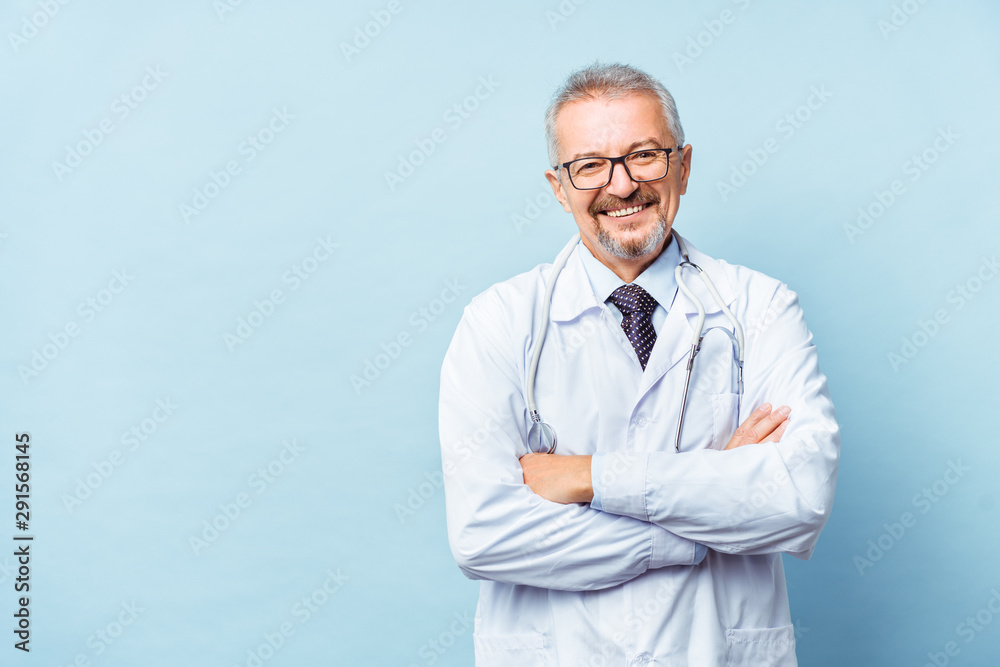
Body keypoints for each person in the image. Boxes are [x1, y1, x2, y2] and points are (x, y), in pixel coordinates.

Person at [438, 62, 840, 666]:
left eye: (645, 155)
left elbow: (796, 501)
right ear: (558, 186)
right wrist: (706, 499)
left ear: (682, 165)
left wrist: (587, 476)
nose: (622, 186)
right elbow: (483, 536)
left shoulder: (759, 306)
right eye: (590, 165)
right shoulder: (499, 321)